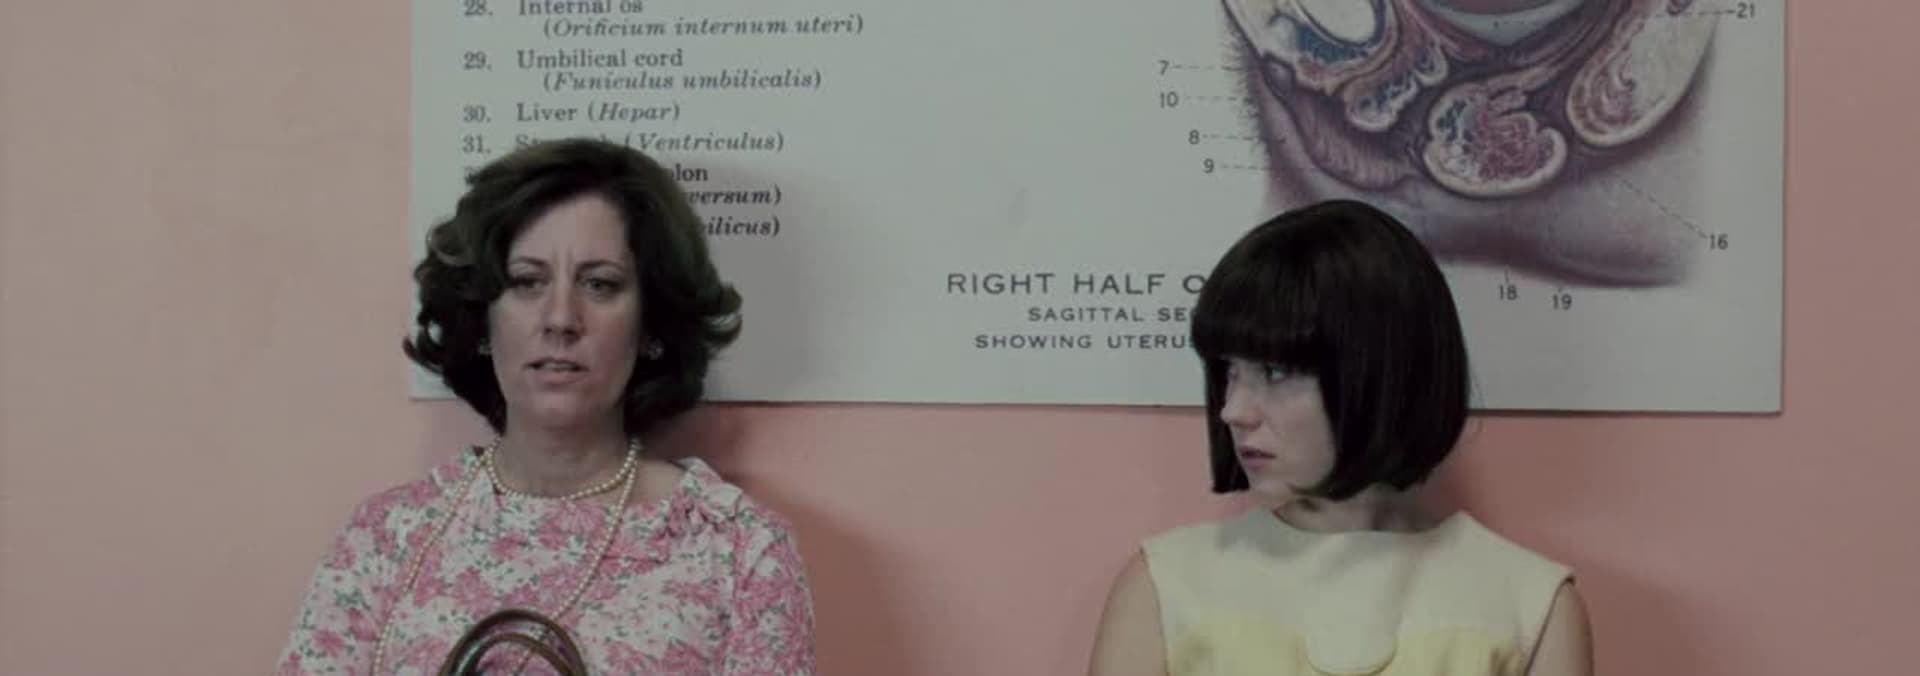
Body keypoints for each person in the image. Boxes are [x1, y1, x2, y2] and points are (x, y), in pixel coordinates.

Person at [275, 138, 816, 674]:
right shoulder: (385, 538)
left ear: (652, 323)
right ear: (482, 317)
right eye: (527, 282)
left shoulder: (738, 551)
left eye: (600, 284)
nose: (560, 319)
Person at [1087, 199, 1592, 676]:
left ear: (1383, 372)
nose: (1232, 410)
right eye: (1228, 372)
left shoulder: (1529, 601)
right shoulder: (1166, 583)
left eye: (1276, 371)